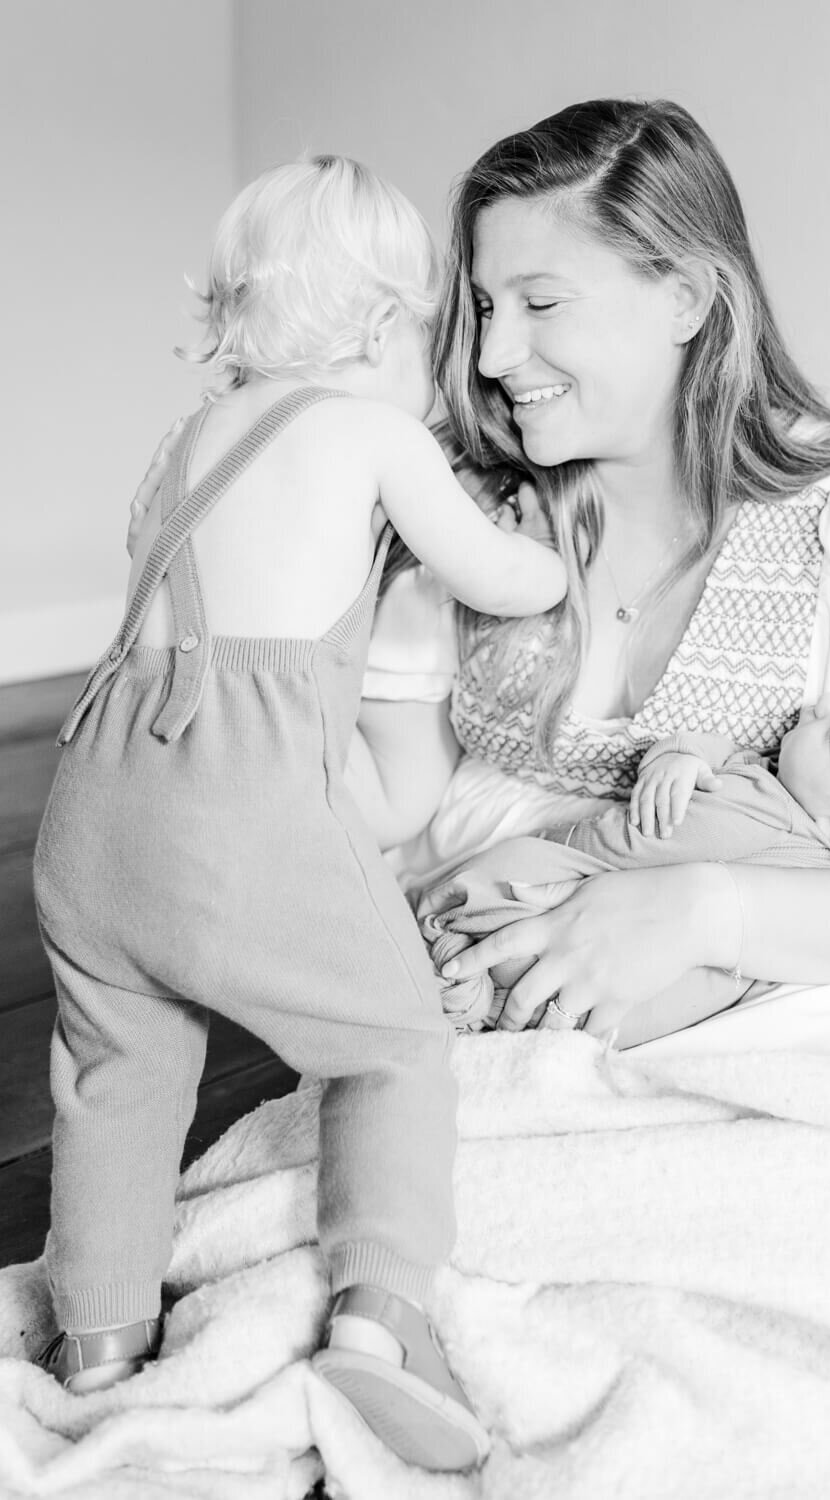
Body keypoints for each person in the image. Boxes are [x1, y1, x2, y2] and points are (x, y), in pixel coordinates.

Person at [33, 154, 569, 1471]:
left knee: (119, 1077)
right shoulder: (374, 432)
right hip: (239, 815)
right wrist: (560, 558)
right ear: (388, 323)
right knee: (391, 1047)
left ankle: (96, 1337)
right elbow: (497, 577)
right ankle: (384, 1323)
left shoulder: (183, 444)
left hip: (92, 803)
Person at [350, 97, 830, 1067]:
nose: (490, 356)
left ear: (687, 299)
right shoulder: (467, 517)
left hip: (785, 1020)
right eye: (485, 306)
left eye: (541, 302)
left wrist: (698, 913)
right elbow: (379, 806)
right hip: (472, 1001)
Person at [415, 687, 830, 1043]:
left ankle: (452, 970)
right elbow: (729, 762)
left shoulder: (760, 813)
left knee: (505, 879)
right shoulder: (820, 853)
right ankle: (467, 997)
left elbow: (629, 841)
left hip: (572, 940)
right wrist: (686, 757)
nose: (825, 701)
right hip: (610, 1016)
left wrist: (676, 757)